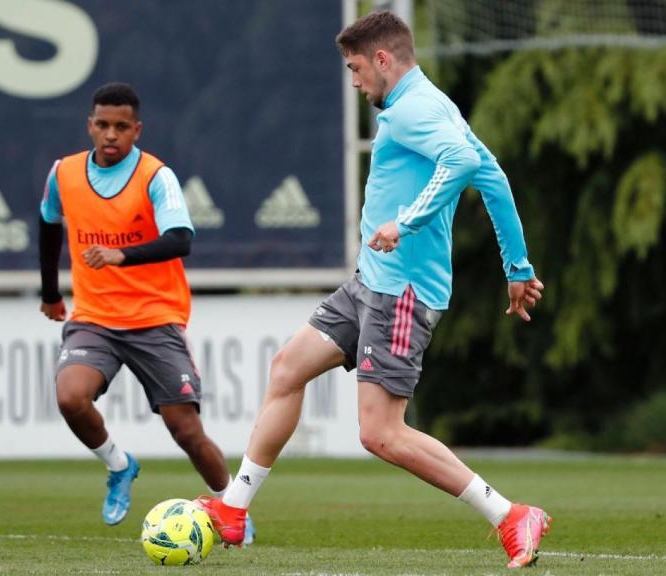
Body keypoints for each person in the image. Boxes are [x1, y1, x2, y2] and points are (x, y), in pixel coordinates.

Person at [195, 12, 548, 568]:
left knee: (380, 434)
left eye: (356, 68)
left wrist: (405, 222)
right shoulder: (433, 103)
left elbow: (462, 163)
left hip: (402, 294)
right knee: (288, 369)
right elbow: (493, 176)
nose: (355, 81)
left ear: (382, 59)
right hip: (369, 283)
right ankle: (233, 509)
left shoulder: (412, 109)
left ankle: (510, 515)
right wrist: (518, 265)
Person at [38, 82, 253, 543]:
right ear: (89, 126)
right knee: (70, 397)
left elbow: (181, 239)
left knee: (185, 430)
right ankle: (119, 465)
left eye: (121, 127)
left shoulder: (156, 176)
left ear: (136, 130)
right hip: (94, 317)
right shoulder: (64, 173)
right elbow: (49, 223)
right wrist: (51, 292)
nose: (110, 135)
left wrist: (121, 255)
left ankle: (232, 506)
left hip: (155, 316)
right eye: (102, 125)